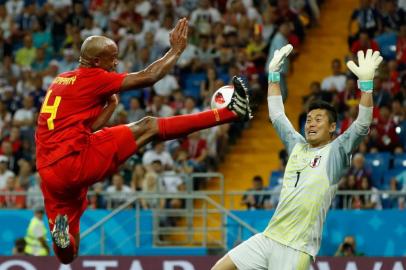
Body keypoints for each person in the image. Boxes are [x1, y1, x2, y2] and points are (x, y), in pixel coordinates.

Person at [35, 18, 252, 265]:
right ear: (96, 62)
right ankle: (230, 112)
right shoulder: (92, 76)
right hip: (75, 160)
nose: (116, 62)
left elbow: (90, 127)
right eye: (112, 57)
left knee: (68, 254)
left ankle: (59, 238)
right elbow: (150, 77)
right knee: (148, 127)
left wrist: (111, 106)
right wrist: (176, 50)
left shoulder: (61, 80)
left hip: (50, 171)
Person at [211, 45, 382, 270]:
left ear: (332, 127)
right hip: (269, 237)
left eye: (318, 119)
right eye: (309, 119)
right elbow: (277, 114)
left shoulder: (336, 152)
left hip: (297, 248)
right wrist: (273, 75)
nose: (311, 123)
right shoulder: (296, 146)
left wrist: (366, 86)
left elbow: (361, 125)